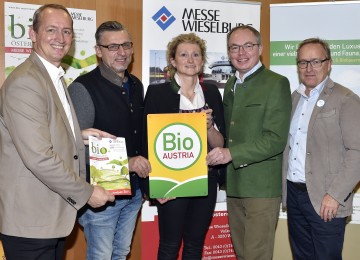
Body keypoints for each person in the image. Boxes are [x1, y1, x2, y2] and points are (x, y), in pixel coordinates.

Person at [0, 4, 115, 260]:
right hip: (30, 222)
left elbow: (42, 131)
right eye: (51, 30)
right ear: (32, 34)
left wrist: (79, 135)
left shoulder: (52, 76)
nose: (60, 38)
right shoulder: (26, 82)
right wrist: (86, 192)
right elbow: (39, 156)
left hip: (49, 217)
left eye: (66, 32)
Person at [207, 25, 291, 260]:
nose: (241, 53)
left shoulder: (276, 83)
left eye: (248, 46)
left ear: (260, 49)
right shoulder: (231, 86)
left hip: (261, 188)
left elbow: (275, 139)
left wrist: (231, 153)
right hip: (234, 186)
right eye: (235, 47)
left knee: (256, 256)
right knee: (243, 255)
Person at [68, 21, 151, 260]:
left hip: (133, 192)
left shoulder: (136, 85)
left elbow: (139, 136)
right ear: (98, 50)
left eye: (126, 45)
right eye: (113, 46)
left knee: (122, 252)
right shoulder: (83, 88)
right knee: (101, 256)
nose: (121, 52)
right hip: (101, 195)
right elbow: (76, 150)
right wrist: (128, 162)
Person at [144, 33, 225, 259]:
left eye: (196, 54)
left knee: (195, 245)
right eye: (183, 55)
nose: (190, 60)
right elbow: (147, 142)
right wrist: (153, 188)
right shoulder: (158, 93)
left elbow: (220, 144)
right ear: (172, 61)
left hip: (205, 179)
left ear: (202, 60)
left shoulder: (212, 94)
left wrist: (209, 128)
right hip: (171, 181)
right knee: (169, 245)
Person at [282, 38, 360, 260]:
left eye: (316, 61)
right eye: (303, 62)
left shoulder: (346, 99)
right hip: (295, 196)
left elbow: (358, 152)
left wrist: (335, 195)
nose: (309, 68)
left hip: (326, 199)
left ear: (329, 64)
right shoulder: (294, 99)